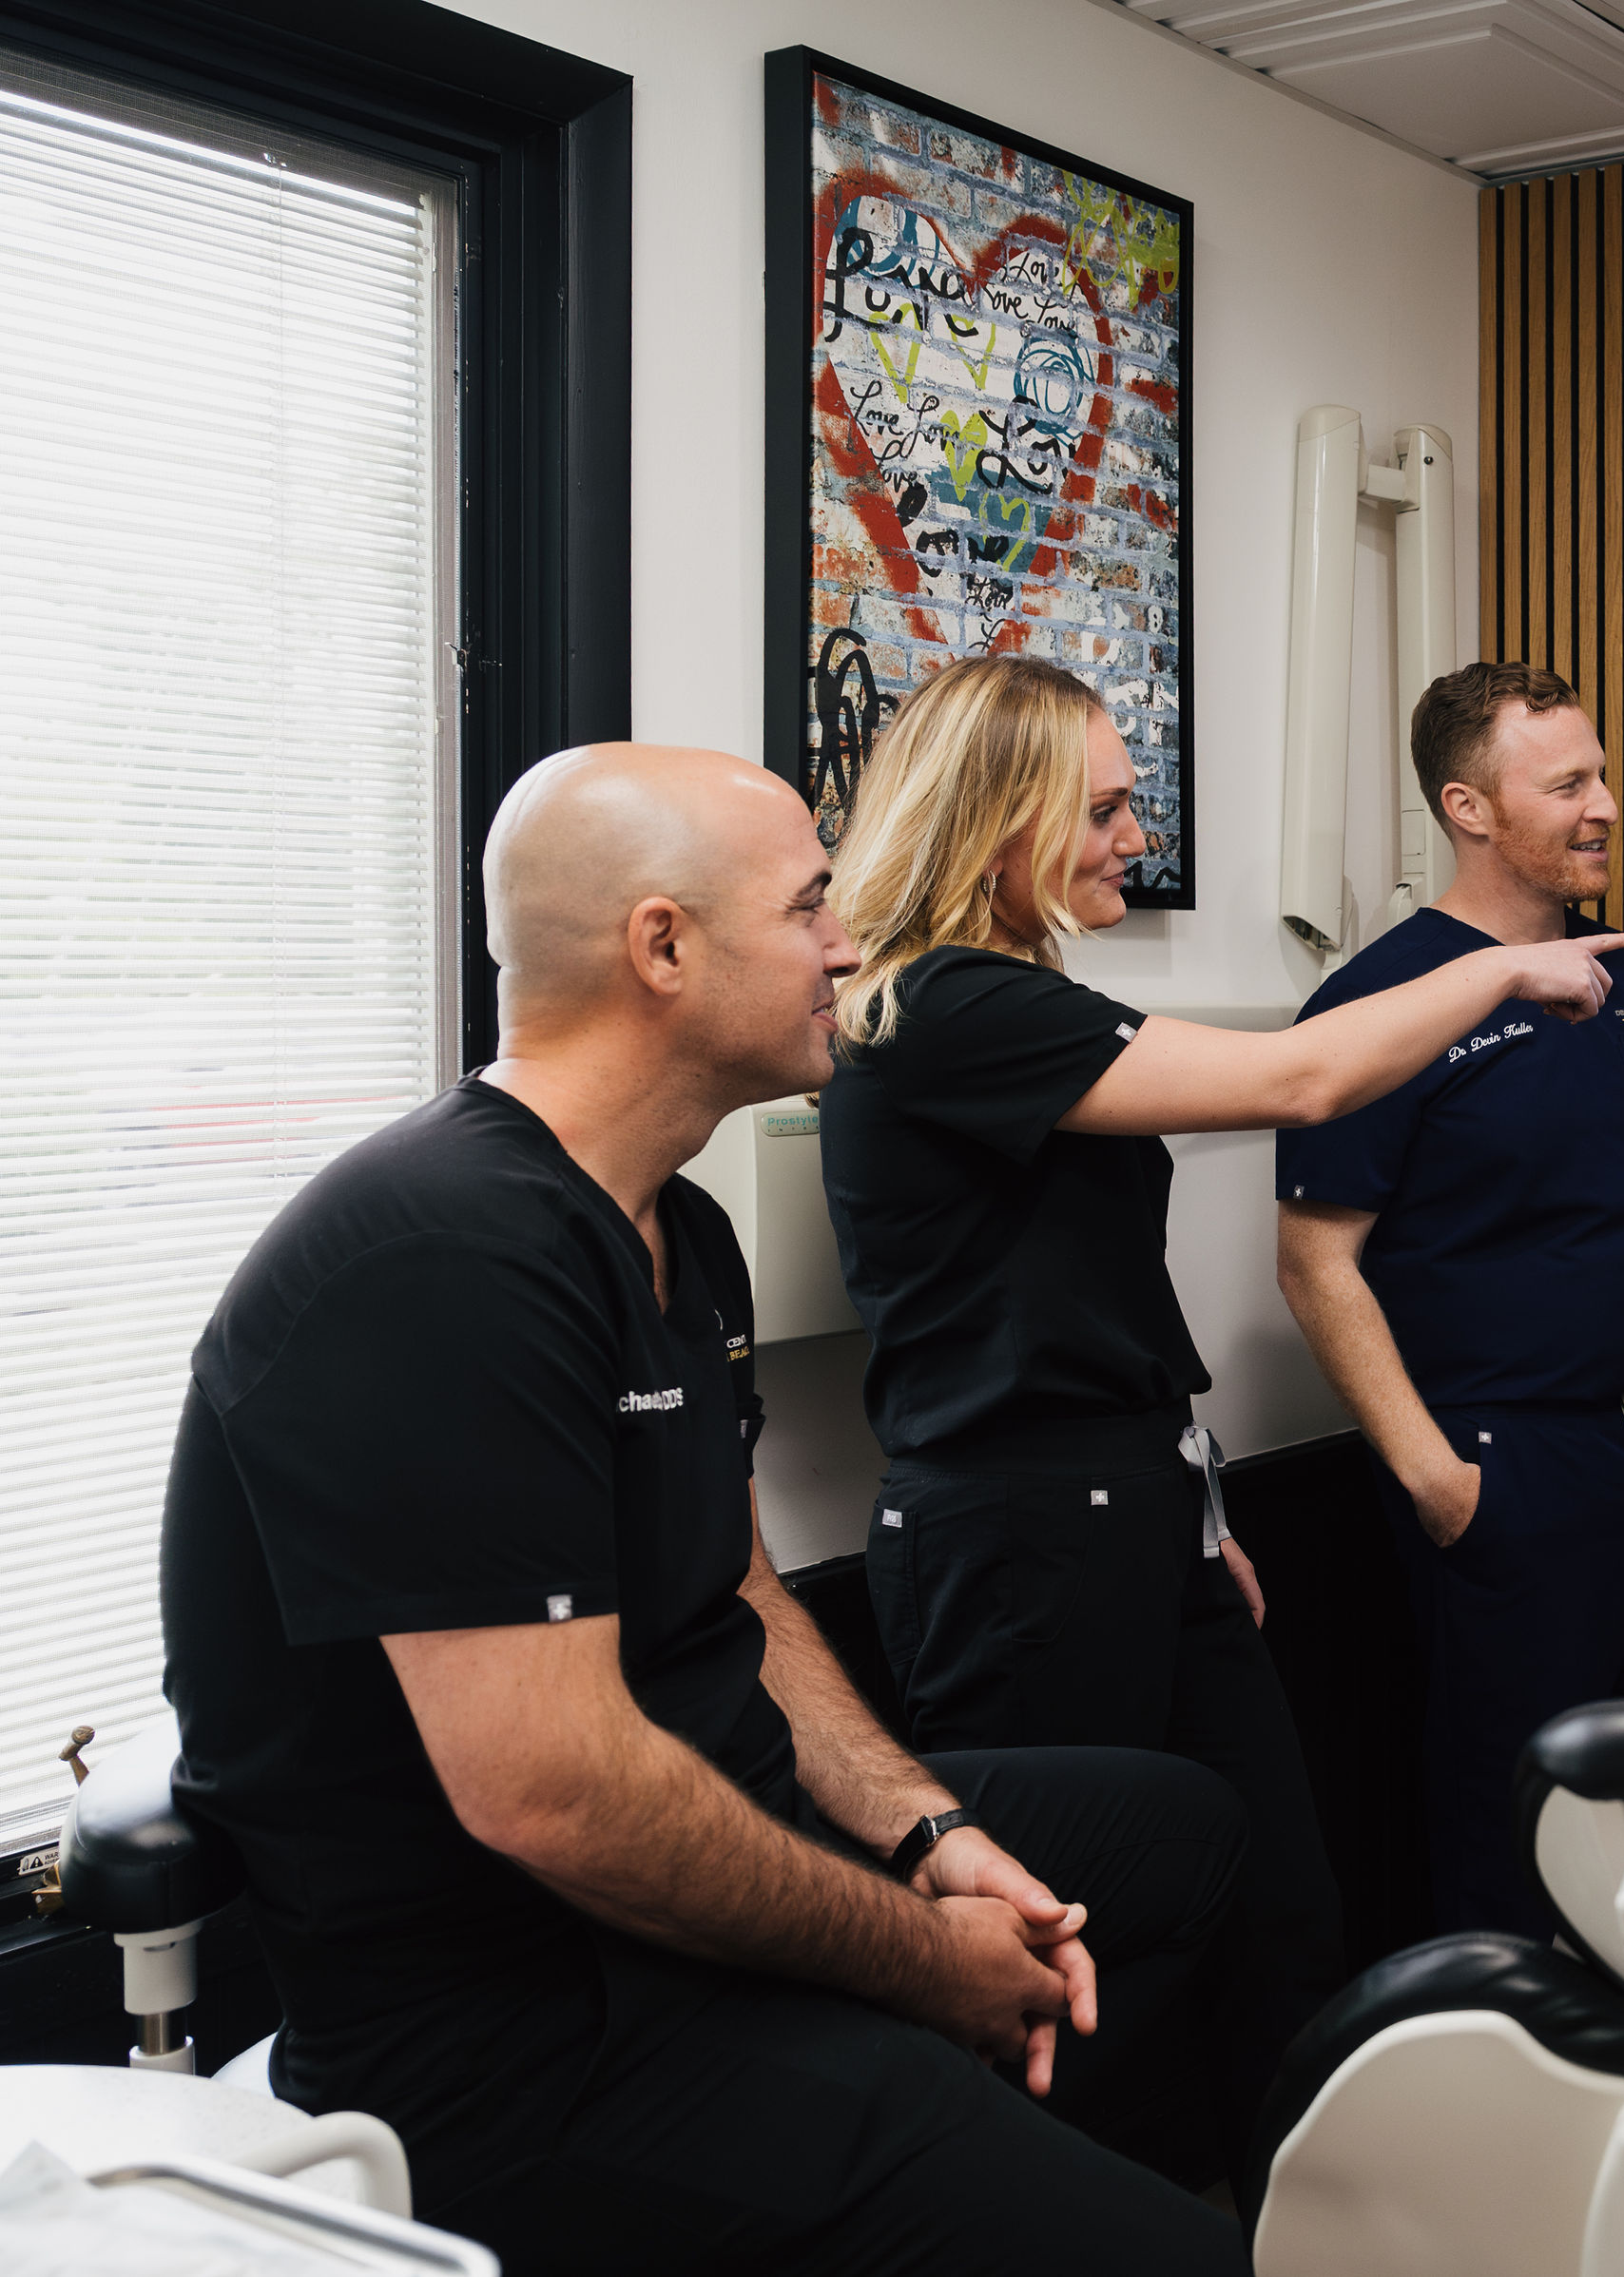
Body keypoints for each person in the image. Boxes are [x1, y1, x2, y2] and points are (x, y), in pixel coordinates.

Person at [162, 744, 1255, 2273]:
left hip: (705, 1858)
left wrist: (930, 1832)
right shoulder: (436, 1259)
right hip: (522, 2026)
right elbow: (555, 1795)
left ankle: (990, 2161)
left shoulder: (679, 1224)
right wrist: (920, 1963)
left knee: (1187, 1833)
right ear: (663, 946)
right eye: (812, 906)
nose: (851, 947)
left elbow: (740, 1597)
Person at [815, 654, 1624, 2168]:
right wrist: (1502, 969)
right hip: (1016, 1543)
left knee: (1276, 1919)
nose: (1139, 837)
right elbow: (1302, 1080)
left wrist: (1197, 1510)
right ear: (999, 821)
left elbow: (1106, 1301)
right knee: (1071, 1952)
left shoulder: (1028, 995)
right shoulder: (940, 1006)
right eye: (1110, 810)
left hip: (1137, 1514)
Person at [1275, 662, 1624, 1936]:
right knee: (1526, 1834)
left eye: (1602, 774)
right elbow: (1314, 1258)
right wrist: (1436, 1479)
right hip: (1510, 1472)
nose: (1605, 804)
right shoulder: (1380, 1005)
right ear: (1471, 807)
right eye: (1568, 784)